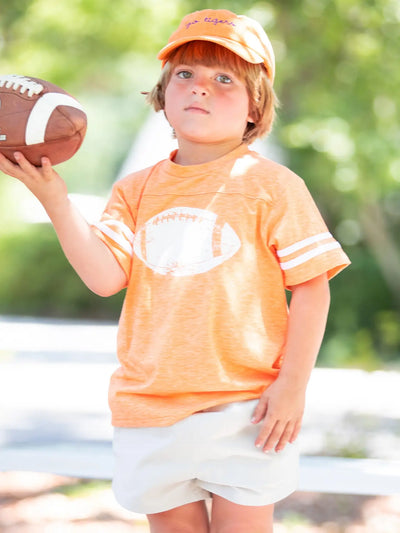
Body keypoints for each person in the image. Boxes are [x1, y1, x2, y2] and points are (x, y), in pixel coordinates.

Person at [0, 9, 350, 533]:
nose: (200, 88)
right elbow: (103, 277)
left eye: (224, 78)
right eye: (185, 74)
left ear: (256, 108)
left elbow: (313, 291)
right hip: (150, 409)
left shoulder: (273, 186)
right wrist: (55, 199)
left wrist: (292, 387)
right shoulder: (135, 189)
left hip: (247, 407)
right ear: (163, 95)